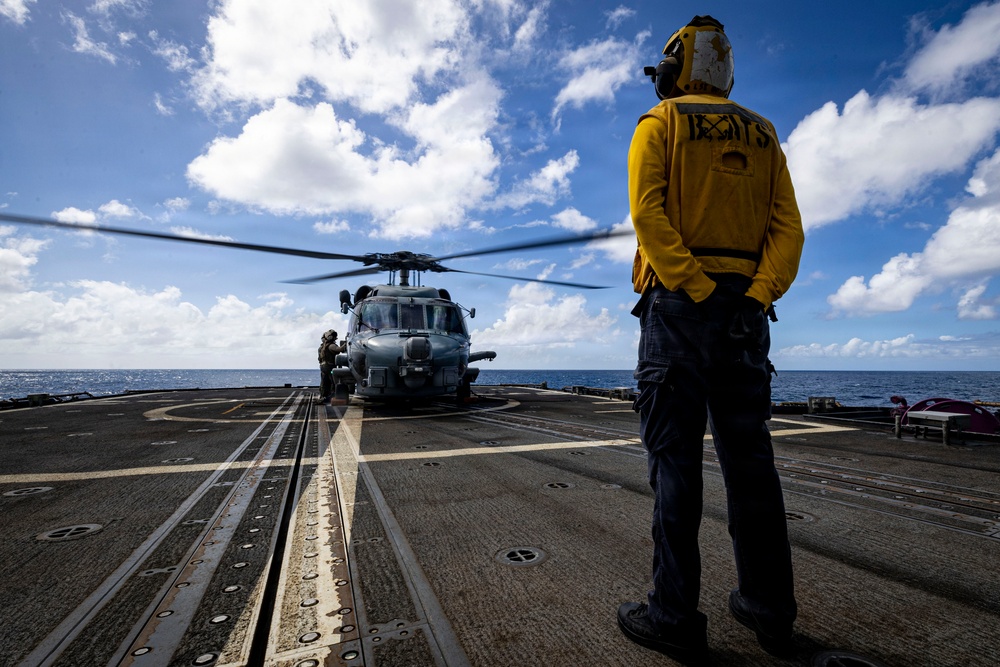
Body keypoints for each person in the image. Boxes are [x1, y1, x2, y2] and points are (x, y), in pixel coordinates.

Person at [617, 15, 805, 666]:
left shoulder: (659, 125)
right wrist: (755, 296)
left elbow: (649, 212)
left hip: (679, 311)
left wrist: (693, 287)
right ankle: (769, 610)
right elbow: (789, 233)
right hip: (745, 318)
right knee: (752, 467)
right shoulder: (764, 134)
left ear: (677, 67)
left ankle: (672, 614)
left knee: (675, 466)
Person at [317, 330, 346, 403]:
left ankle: (323, 396)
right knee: (333, 381)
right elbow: (340, 349)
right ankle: (331, 396)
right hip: (330, 367)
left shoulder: (321, 348)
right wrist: (346, 344)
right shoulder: (331, 346)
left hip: (322, 367)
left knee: (324, 382)